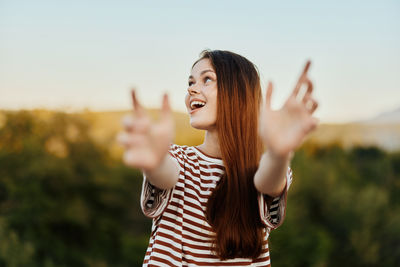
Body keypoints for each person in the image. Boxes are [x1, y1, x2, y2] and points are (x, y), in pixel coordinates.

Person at [117, 50, 319, 266]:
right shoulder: (178, 159)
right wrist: (155, 162)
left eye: (207, 79)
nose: (191, 88)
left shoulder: (263, 169)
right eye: (191, 81)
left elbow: (268, 181)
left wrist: (279, 154)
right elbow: (166, 175)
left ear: (237, 94)